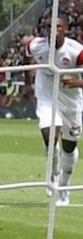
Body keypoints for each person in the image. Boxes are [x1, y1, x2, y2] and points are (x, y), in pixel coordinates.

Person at [29, 17, 83, 205]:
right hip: (47, 98)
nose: (53, 30)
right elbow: (30, 57)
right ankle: (54, 174)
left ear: (66, 29)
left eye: (58, 27)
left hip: (71, 103)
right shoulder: (37, 45)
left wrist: (76, 82)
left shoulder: (76, 52)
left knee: (69, 147)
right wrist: (29, 83)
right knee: (50, 133)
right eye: (49, 27)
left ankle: (64, 188)